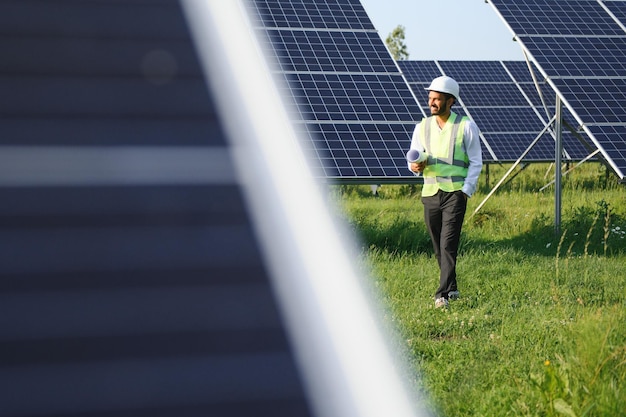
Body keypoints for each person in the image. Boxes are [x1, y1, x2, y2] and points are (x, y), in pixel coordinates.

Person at [407, 76, 482, 309]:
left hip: (455, 194)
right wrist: (414, 167)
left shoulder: (466, 126)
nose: (432, 103)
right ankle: (452, 287)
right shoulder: (422, 127)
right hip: (430, 193)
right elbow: (413, 155)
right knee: (438, 245)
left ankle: (442, 295)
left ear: (451, 101)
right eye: (430, 98)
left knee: (448, 243)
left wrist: (466, 191)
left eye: (437, 99)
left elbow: (476, 162)